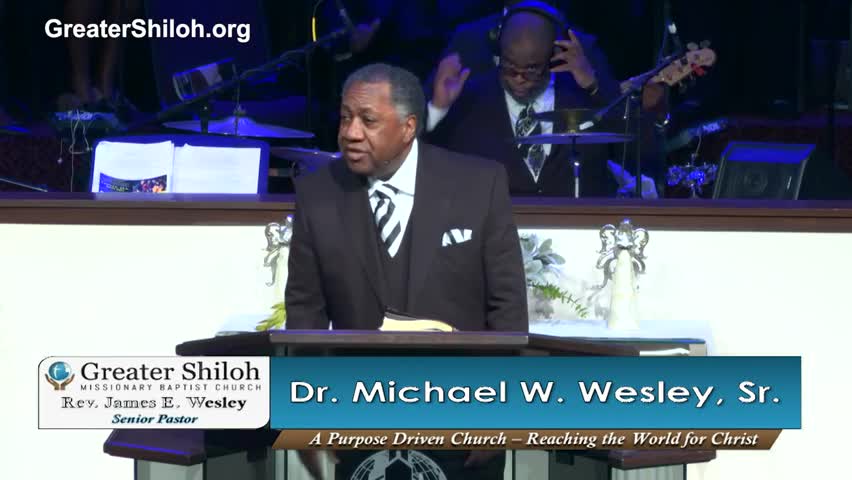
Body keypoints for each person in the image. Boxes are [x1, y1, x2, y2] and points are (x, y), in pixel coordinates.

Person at [285, 63, 528, 479]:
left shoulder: (478, 183)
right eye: (345, 118)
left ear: (408, 127)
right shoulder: (318, 194)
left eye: (368, 120)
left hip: (464, 422)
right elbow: (305, 312)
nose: (350, 133)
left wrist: (502, 413)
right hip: (357, 424)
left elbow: (506, 305)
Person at [425, 1, 635, 197]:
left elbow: (630, 142)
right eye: (509, 66)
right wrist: (438, 108)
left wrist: (593, 85)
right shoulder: (471, 99)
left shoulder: (579, 92)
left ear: (552, 57)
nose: (519, 79)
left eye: (531, 69)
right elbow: (422, 159)